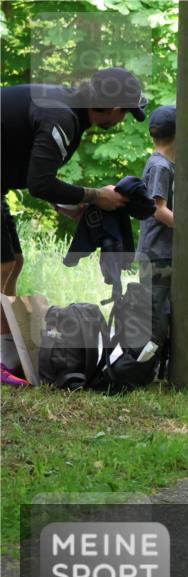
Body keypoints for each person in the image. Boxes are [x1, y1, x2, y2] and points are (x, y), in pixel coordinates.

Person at [1, 67, 147, 386]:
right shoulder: (62, 117)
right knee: (3, 265)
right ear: (107, 105)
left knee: (14, 264)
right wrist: (96, 197)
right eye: (123, 111)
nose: (122, 119)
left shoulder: (68, 112)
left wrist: (68, 205)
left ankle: (8, 359)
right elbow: (39, 182)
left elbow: (32, 171)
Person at [135, 105, 176, 361]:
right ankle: (137, 369)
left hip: (163, 254)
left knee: (166, 315)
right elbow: (157, 209)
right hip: (155, 255)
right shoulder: (160, 166)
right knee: (155, 321)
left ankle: (159, 370)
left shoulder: (164, 164)